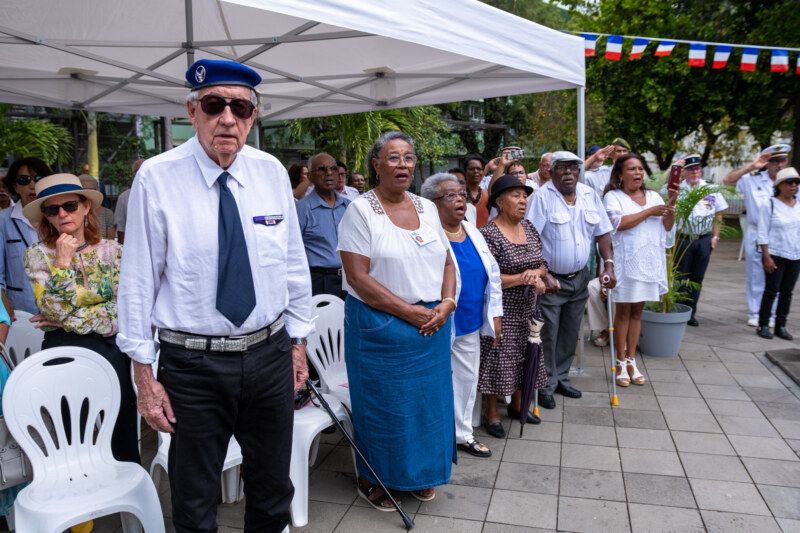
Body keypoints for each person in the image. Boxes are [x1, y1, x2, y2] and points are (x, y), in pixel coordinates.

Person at [117, 59, 312, 533]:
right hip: (192, 366)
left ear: (253, 115)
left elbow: (292, 265)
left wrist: (298, 345)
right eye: (214, 104)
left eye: (240, 107)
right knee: (194, 499)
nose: (228, 117)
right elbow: (138, 280)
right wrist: (145, 378)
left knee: (272, 492)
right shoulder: (158, 177)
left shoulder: (269, 173)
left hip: (268, 355)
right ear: (192, 110)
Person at [337, 131, 456, 508]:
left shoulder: (426, 207)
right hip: (380, 329)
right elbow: (358, 277)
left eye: (408, 157)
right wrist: (408, 311)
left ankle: (421, 472)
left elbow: (448, 262)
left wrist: (448, 302)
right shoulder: (360, 210)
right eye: (392, 157)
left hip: (431, 326)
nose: (402, 164)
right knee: (382, 406)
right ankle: (374, 477)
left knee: (426, 406)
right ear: (376, 165)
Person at [22, 173, 139, 464]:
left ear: (86, 207)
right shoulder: (37, 255)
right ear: (46, 216)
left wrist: (69, 318)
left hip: (109, 344)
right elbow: (53, 312)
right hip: (62, 348)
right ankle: (79, 485)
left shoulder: (113, 252)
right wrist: (62, 261)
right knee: (72, 430)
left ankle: (126, 479)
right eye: (52, 209)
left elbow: (123, 311)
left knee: (120, 422)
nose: (62, 214)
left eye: (70, 205)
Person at [422, 172, 502, 458]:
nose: (460, 200)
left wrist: (495, 315)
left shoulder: (472, 230)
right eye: (451, 195)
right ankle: (435, 434)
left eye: (461, 194)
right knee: (434, 379)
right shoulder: (427, 235)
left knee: (466, 380)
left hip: (469, 320)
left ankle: (462, 434)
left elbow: (491, 274)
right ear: (432, 203)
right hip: (437, 322)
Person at [528, 151, 616, 409]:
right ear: (551, 172)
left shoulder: (589, 195)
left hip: (580, 277)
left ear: (579, 172)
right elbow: (531, 239)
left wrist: (607, 264)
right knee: (549, 333)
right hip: (552, 281)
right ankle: (545, 383)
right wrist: (545, 274)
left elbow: (603, 233)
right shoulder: (542, 198)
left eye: (573, 169)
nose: (568, 173)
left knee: (570, 332)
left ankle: (562, 377)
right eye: (562, 169)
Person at [477, 174, 549, 438]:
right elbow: (487, 278)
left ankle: (519, 404)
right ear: (499, 201)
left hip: (528, 309)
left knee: (525, 355)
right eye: (516, 196)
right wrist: (523, 277)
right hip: (501, 310)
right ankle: (491, 411)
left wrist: (538, 275)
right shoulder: (488, 233)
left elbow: (542, 264)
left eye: (524, 196)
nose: (523, 201)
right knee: (496, 360)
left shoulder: (528, 228)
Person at [603, 154, 677, 386]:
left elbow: (666, 227)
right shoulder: (613, 197)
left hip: (649, 263)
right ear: (620, 174)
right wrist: (648, 212)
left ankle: (632, 360)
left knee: (638, 312)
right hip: (626, 264)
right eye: (632, 169)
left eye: (640, 169)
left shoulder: (654, 196)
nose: (637, 173)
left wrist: (671, 204)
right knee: (623, 312)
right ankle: (620, 361)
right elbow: (619, 224)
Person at [723, 144, 791, 326]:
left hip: (781, 235)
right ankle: (755, 312)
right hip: (756, 232)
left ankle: (773, 313)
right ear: (766, 163)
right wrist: (752, 166)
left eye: (782, 160)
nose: (779, 165)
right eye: (774, 161)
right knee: (756, 274)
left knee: (779, 274)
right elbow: (727, 181)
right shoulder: (752, 179)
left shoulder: (791, 183)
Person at [672, 154, 728, 327]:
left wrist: (715, 237)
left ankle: (691, 313)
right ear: (685, 172)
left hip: (703, 239)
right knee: (680, 277)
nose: (695, 172)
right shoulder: (677, 188)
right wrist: (673, 170)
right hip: (683, 239)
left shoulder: (710, 189)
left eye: (697, 168)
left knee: (697, 279)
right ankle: (677, 310)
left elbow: (719, 213)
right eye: (690, 169)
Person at [0, 157, 52, 318]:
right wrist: (3, 303)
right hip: (20, 309)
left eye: (38, 179)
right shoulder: (3, 220)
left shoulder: (59, 215)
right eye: (24, 180)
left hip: (59, 308)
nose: (32, 185)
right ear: (15, 186)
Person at [295, 153, 350, 298]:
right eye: (322, 169)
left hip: (350, 279)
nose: (329, 173)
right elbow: (293, 250)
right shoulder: (302, 209)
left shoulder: (349, 206)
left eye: (333, 168)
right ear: (311, 177)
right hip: (319, 280)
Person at [756, 167, 800, 340]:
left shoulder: (798, 205)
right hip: (775, 253)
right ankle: (764, 324)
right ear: (779, 185)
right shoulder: (770, 204)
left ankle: (781, 325)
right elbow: (762, 232)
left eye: (796, 182)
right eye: (789, 182)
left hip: (795, 254)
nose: (794, 186)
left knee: (787, 292)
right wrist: (766, 256)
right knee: (771, 290)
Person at [114, 159, 145, 245]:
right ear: (133, 175)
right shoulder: (124, 197)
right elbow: (121, 228)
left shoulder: (161, 195)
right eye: (138, 170)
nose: (142, 173)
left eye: (145, 169)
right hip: (135, 247)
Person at [79, 175, 115, 239]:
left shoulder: (107, 214)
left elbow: (111, 243)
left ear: (97, 191)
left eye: (91, 190)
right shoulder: (71, 213)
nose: (87, 193)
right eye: (83, 190)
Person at [464, 154, 490, 228]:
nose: (475, 171)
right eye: (471, 169)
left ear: (483, 171)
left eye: (479, 169)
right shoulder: (459, 194)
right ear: (465, 171)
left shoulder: (487, 195)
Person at [586, 278, 610, 346]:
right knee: (591, 287)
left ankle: (617, 331)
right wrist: (602, 285)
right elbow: (601, 268)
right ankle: (604, 329)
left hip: (623, 278)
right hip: (606, 277)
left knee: (615, 293)